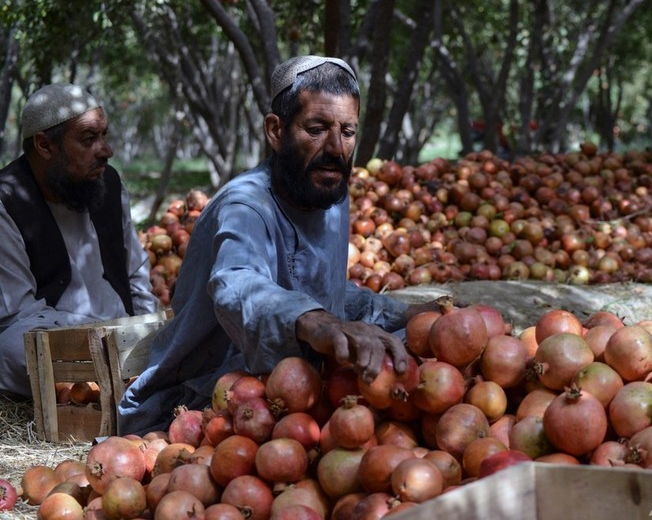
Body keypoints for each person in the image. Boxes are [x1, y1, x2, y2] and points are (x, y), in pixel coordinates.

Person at [118, 56, 443, 435]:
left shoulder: (330, 195)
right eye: (317, 128)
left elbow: (325, 292)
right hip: (218, 394)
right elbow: (235, 284)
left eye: (348, 132)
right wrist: (314, 321)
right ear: (275, 130)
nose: (337, 148)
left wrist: (405, 315)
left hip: (308, 389)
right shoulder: (245, 206)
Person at [0, 83, 159, 397]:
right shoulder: (7, 202)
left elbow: (137, 275)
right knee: (12, 350)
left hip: (123, 335)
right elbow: (17, 315)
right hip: (55, 341)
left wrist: (151, 331)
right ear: (45, 146)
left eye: (104, 136)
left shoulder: (107, 183)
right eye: (89, 139)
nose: (106, 151)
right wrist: (103, 336)